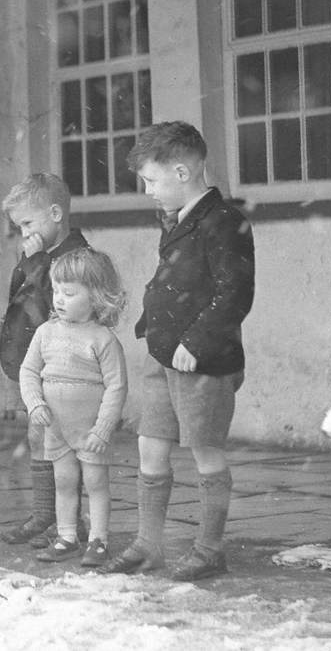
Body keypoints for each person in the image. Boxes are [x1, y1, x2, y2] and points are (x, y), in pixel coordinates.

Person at [103, 121, 254, 581]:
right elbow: (177, 281)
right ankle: (149, 546)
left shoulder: (224, 222)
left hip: (202, 361)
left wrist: (196, 341)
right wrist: (153, 326)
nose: (148, 191)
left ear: (183, 172)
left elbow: (234, 293)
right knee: (151, 445)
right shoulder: (176, 219)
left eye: (152, 180)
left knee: (206, 451)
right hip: (163, 356)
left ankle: (210, 549)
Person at [0, 173, 90, 547]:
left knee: (62, 444)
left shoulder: (77, 257)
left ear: (55, 213)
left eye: (28, 223)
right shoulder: (39, 256)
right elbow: (21, 292)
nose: (24, 232)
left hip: (65, 366)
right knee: (39, 437)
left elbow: (58, 303)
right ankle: (43, 514)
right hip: (37, 363)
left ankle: (71, 522)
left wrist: (33, 260)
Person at [19, 247, 127, 568]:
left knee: (95, 483)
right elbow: (28, 372)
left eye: (69, 292)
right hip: (56, 428)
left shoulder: (103, 339)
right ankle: (67, 536)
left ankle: (98, 539)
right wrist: (34, 402)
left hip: (91, 431)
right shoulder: (45, 333)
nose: (59, 299)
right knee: (63, 482)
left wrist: (103, 429)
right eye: (55, 291)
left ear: (96, 297)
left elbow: (117, 387)